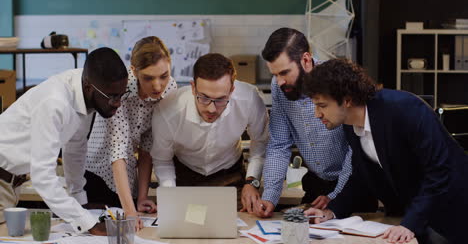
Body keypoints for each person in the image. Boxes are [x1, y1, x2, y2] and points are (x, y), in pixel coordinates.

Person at [303, 58, 468, 243]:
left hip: (454, 212)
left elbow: (440, 171)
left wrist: (410, 224)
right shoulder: (350, 125)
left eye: (322, 105)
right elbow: (361, 177)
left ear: (347, 100)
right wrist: (331, 212)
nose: (317, 114)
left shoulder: (404, 108)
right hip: (413, 216)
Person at [0, 47, 128, 235]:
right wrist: (88, 223)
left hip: (12, 182)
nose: (117, 103)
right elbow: (43, 177)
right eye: (112, 97)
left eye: (121, 95)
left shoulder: (85, 92)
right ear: (88, 87)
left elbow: (75, 150)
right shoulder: (55, 103)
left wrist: (80, 200)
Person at [254, 28, 355, 218]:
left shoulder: (336, 81)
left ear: (306, 60)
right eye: (274, 74)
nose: (280, 81)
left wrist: (336, 194)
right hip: (316, 185)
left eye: (284, 72)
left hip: (353, 185)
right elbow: (279, 144)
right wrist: (269, 197)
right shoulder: (279, 87)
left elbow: (355, 147)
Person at [151, 53, 269, 212]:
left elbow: (260, 142)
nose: (211, 109)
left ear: (232, 90)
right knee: (185, 230)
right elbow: (162, 160)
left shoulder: (249, 99)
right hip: (185, 176)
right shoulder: (168, 111)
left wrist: (252, 181)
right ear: (193, 88)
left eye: (220, 99)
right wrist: (170, 196)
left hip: (231, 175)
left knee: (238, 228)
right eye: (204, 98)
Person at [84, 36, 176, 229]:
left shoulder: (170, 90)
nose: (158, 86)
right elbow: (117, 152)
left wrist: (141, 198)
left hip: (128, 177)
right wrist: (130, 211)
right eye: (148, 78)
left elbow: (147, 147)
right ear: (134, 71)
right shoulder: (121, 90)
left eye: (164, 75)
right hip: (97, 173)